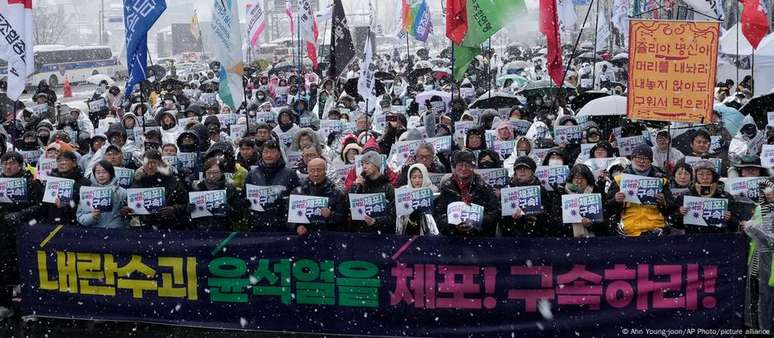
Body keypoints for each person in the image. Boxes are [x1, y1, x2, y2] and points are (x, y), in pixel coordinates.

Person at [0, 151, 43, 309]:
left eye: (11, 163)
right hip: (3, 233)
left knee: (25, 269)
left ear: (20, 165)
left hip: (23, 232)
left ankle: (28, 306)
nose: (8, 167)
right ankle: (4, 305)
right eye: (5, 163)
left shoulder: (31, 182)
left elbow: (40, 206)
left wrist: (20, 214)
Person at [607, 144, 672, 236]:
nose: (642, 161)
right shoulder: (620, 180)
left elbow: (672, 208)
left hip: (657, 228)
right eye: (638, 158)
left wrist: (663, 202)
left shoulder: (661, 180)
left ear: (651, 161)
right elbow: (608, 209)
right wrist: (615, 201)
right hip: (629, 229)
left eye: (646, 158)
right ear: (632, 159)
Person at [433, 150, 498, 237]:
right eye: (460, 165)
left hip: (480, 238)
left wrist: (476, 224)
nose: (463, 168)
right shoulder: (446, 189)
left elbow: (493, 213)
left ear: (473, 167)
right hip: (452, 239)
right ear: (454, 167)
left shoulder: (484, 188)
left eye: (467, 165)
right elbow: (439, 215)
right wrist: (453, 227)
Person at [246, 139, 300, 232]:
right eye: (266, 152)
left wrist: (283, 202)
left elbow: (297, 199)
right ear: (261, 154)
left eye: (272, 152)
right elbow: (245, 197)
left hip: (282, 225)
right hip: (257, 225)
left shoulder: (290, 174)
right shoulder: (252, 174)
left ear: (279, 154)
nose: (268, 155)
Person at [126, 150, 188, 230]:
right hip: (143, 229)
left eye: (153, 163)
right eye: (147, 163)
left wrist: (174, 209)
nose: (150, 166)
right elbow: (129, 204)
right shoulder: (138, 181)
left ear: (160, 163)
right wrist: (126, 209)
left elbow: (186, 204)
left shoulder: (173, 181)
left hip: (169, 227)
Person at [674, 160, 738, 234]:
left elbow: (736, 225)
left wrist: (730, 218)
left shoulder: (725, 196)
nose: (705, 177)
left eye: (708, 174)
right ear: (695, 177)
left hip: (719, 239)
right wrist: (679, 213)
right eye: (700, 174)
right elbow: (674, 223)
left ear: (713, 176)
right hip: (692, 239)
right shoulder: (685, 196)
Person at [499, 156, 554, 237]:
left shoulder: (540, 190)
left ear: (532, 171)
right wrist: (511, 218)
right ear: (515, 172)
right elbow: (499, 214)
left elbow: (549, 214)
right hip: (512, 236)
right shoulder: (507, 190)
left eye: (525, 168)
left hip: (536, 235)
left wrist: (535, 215)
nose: (522, 171)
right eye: (518, 169)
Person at [291, 158, 348, 235]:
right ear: (308, 171)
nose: (316, 174)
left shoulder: (336, 192)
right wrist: (297, 226)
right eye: (312, 170)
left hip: (328, 237)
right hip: (304, 237)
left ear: (325, 171)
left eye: (319, 170)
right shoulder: (298, 191)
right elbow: (289, 216)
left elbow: (343, 218)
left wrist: (330, 215)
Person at [189, 158, 244, 231]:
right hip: (200, 231)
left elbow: (239, 215)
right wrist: (189, 209)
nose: (211, 175)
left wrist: (230, 209)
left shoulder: (229, 189)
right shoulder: (197, 188)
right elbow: (188, 217)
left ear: (221, 173)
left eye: (215, 172)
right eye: (209, 172)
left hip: (223, 230)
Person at [349, 151, 396, 234]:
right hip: (361, 233)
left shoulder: (388, 188)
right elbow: (348, 207)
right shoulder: (361, 185)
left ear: (376, 165)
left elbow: (392, 217)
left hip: (382, 235)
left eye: (367, 163)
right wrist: (355, 187)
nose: (364, 167)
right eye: (362, 164)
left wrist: (375, 222)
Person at [42, 151, 92, 226]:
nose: (62, 163)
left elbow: (86, 207)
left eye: (66, 160)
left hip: (74, 225)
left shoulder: (85, 183)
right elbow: (43, 206)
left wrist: (67, 205)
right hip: (52, 224)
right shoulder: (50, 181)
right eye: (59, 161)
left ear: (74, 163)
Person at [76, 160, 129, 229]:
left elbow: (130, 217)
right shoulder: (87, 192)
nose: (101, 175)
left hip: (117, 232)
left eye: (104, 172)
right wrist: (92, 216)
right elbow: (80, 217)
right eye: (98, 172)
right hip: (94, 232)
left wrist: (125, 213)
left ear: (111, 173)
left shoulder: (122, 192)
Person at [562, 164, 609, 237]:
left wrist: (591, 225)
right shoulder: (562, 193)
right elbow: (555, 221)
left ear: (588, 179)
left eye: (582, 178)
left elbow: (605, 221)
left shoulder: (596, 193)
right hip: (568, 239)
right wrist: (569, 223)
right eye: (576, 178)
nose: (579, 181)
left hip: (593, 240)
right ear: (571, 179)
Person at [397, 163, 439, 235]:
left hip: (428, 233)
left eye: (420, 177)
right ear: (409, 179)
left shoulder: (433, 191)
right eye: (414, 177)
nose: (417, 180)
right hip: (407, 231)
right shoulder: (403, 192)